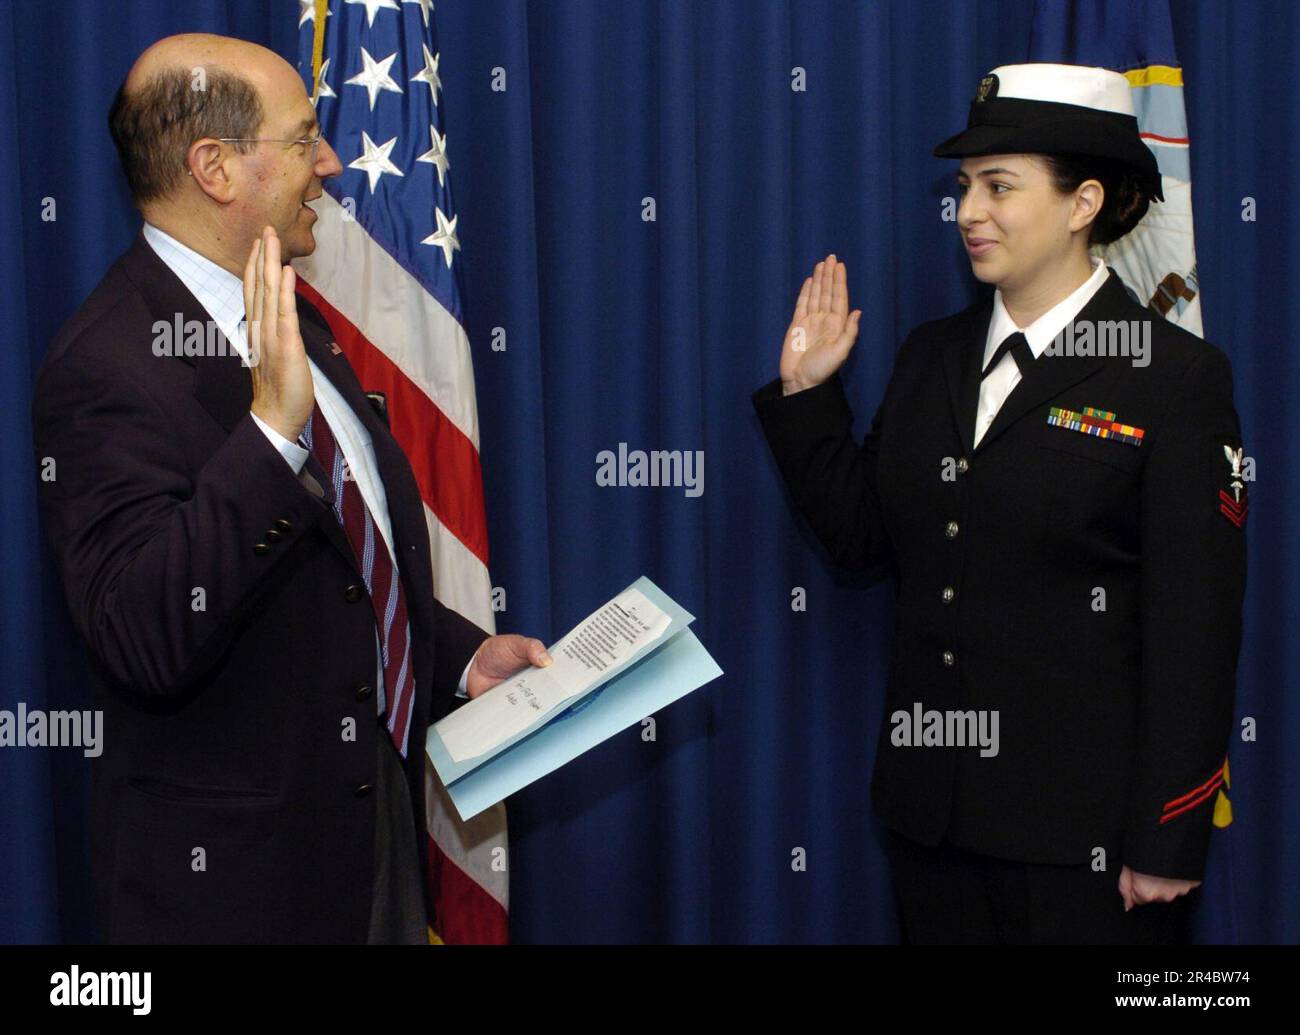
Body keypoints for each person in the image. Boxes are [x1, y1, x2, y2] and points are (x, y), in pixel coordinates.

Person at [32, 33, 549, 944]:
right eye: (305, 136)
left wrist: (459, 660)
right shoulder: (105, 364)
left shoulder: (290, 310)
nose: (331, 160)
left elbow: (346, 570)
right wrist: (270, 432)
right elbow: (143, 631)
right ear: (216, 169)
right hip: (234, 896)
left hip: (375, 852)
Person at [752, 63, 1247, 944]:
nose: (969, 210)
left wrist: (1168, 836)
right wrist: (807, 399)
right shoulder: (930, 356)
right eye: (964, 187)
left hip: (1087, 850)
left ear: (1084, 201)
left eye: (999, 186)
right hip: (932, 826)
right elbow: (866, 540)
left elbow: (1195, 628)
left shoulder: (1171, 377)